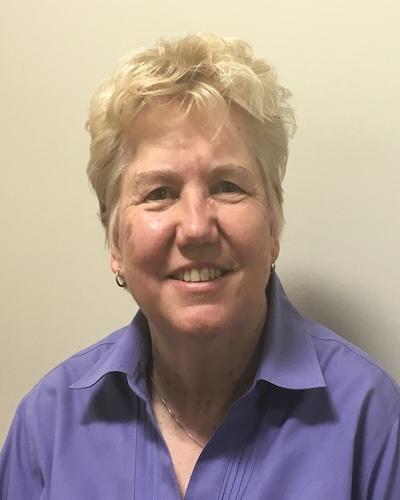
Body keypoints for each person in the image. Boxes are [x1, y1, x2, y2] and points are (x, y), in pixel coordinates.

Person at [1, 33, 399, 500]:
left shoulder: (371, 420)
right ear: (115, 241)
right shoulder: (49, 424)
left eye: (228, 185)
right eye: (159, 193)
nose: (196, 228)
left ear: (274, 223)